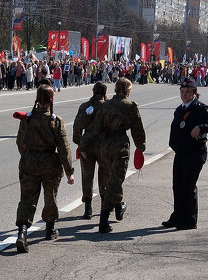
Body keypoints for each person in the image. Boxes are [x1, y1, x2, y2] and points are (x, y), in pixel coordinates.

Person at [14, 84, 76, 253]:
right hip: (50, 164)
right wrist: (69, 171)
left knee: (27, 199)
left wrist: (28, 156)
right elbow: (64, 148)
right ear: (51, 100)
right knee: (50, 197)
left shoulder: (27, 119)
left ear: (37, 99)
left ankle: (22, 232)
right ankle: (50, 229)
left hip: (29, 163)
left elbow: (20, 142)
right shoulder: (56, 121)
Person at [88, 78, 146, 233]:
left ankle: (119, 205)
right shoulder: (130, 106)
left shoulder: (105, 105)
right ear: (127, 90)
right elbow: (137, 129)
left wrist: (83, 146)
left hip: (105, 146)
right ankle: (104, 219)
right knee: (116, 180)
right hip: (120, 145)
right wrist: (141, 146)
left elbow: (95, 128)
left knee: (110, 179)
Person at [163, 78, 208, 230]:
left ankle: (189, 220)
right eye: (182, 91)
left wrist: (201, 127)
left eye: (188, 92)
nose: (184, 94)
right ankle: (178, 216)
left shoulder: (200, 108)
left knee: (188, 186)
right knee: (177, 186)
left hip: (194, 153)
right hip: (180, 153)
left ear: (194, 92)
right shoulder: (179, 109)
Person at [71, 81, 109, 219]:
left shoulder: (84, 107)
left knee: (87, 176)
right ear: (105, 93)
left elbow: (76, 129)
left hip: (86, 145)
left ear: (93, 91)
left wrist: (80, 144)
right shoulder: (107, 106)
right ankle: (105, 205)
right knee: (104, 175)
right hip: (103, 146)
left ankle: (88, 208)